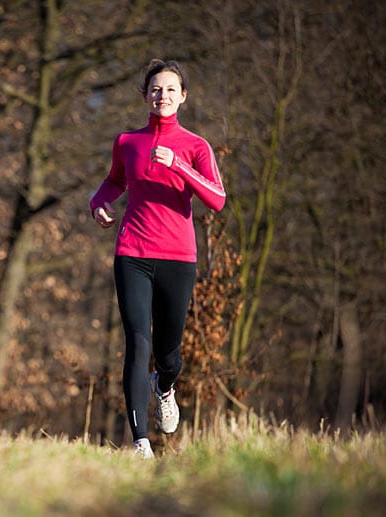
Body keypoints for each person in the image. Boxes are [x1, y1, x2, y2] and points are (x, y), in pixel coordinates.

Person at [90, 59, 226, 459]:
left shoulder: (196, 146)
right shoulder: (127, 142)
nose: (161, 95)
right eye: (154, 89)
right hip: (132, 251)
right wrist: (99, 202)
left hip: (177, 258)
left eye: (169, 89)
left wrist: (180, 166)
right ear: (145, 95)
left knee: (168, 353)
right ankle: (140, 442)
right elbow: (115, 180)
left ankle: (164, 386)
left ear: (182, 96)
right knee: (137, 340)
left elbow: (217, 199)